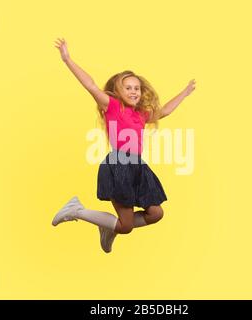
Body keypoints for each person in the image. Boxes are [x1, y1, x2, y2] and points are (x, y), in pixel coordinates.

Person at [52, 37, 196, 253]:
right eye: (128, 87)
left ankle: (108, 227)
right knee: (126, 226)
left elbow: (164, 111)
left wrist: (184, 93)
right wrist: (68, 60)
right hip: (119, 165)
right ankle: (76, 210)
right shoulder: (112, 107)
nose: (134, 91)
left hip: (137, 167)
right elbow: (90, 85)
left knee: (156, 213)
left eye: (137, 88)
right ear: (118, 91)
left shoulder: (141, 115)